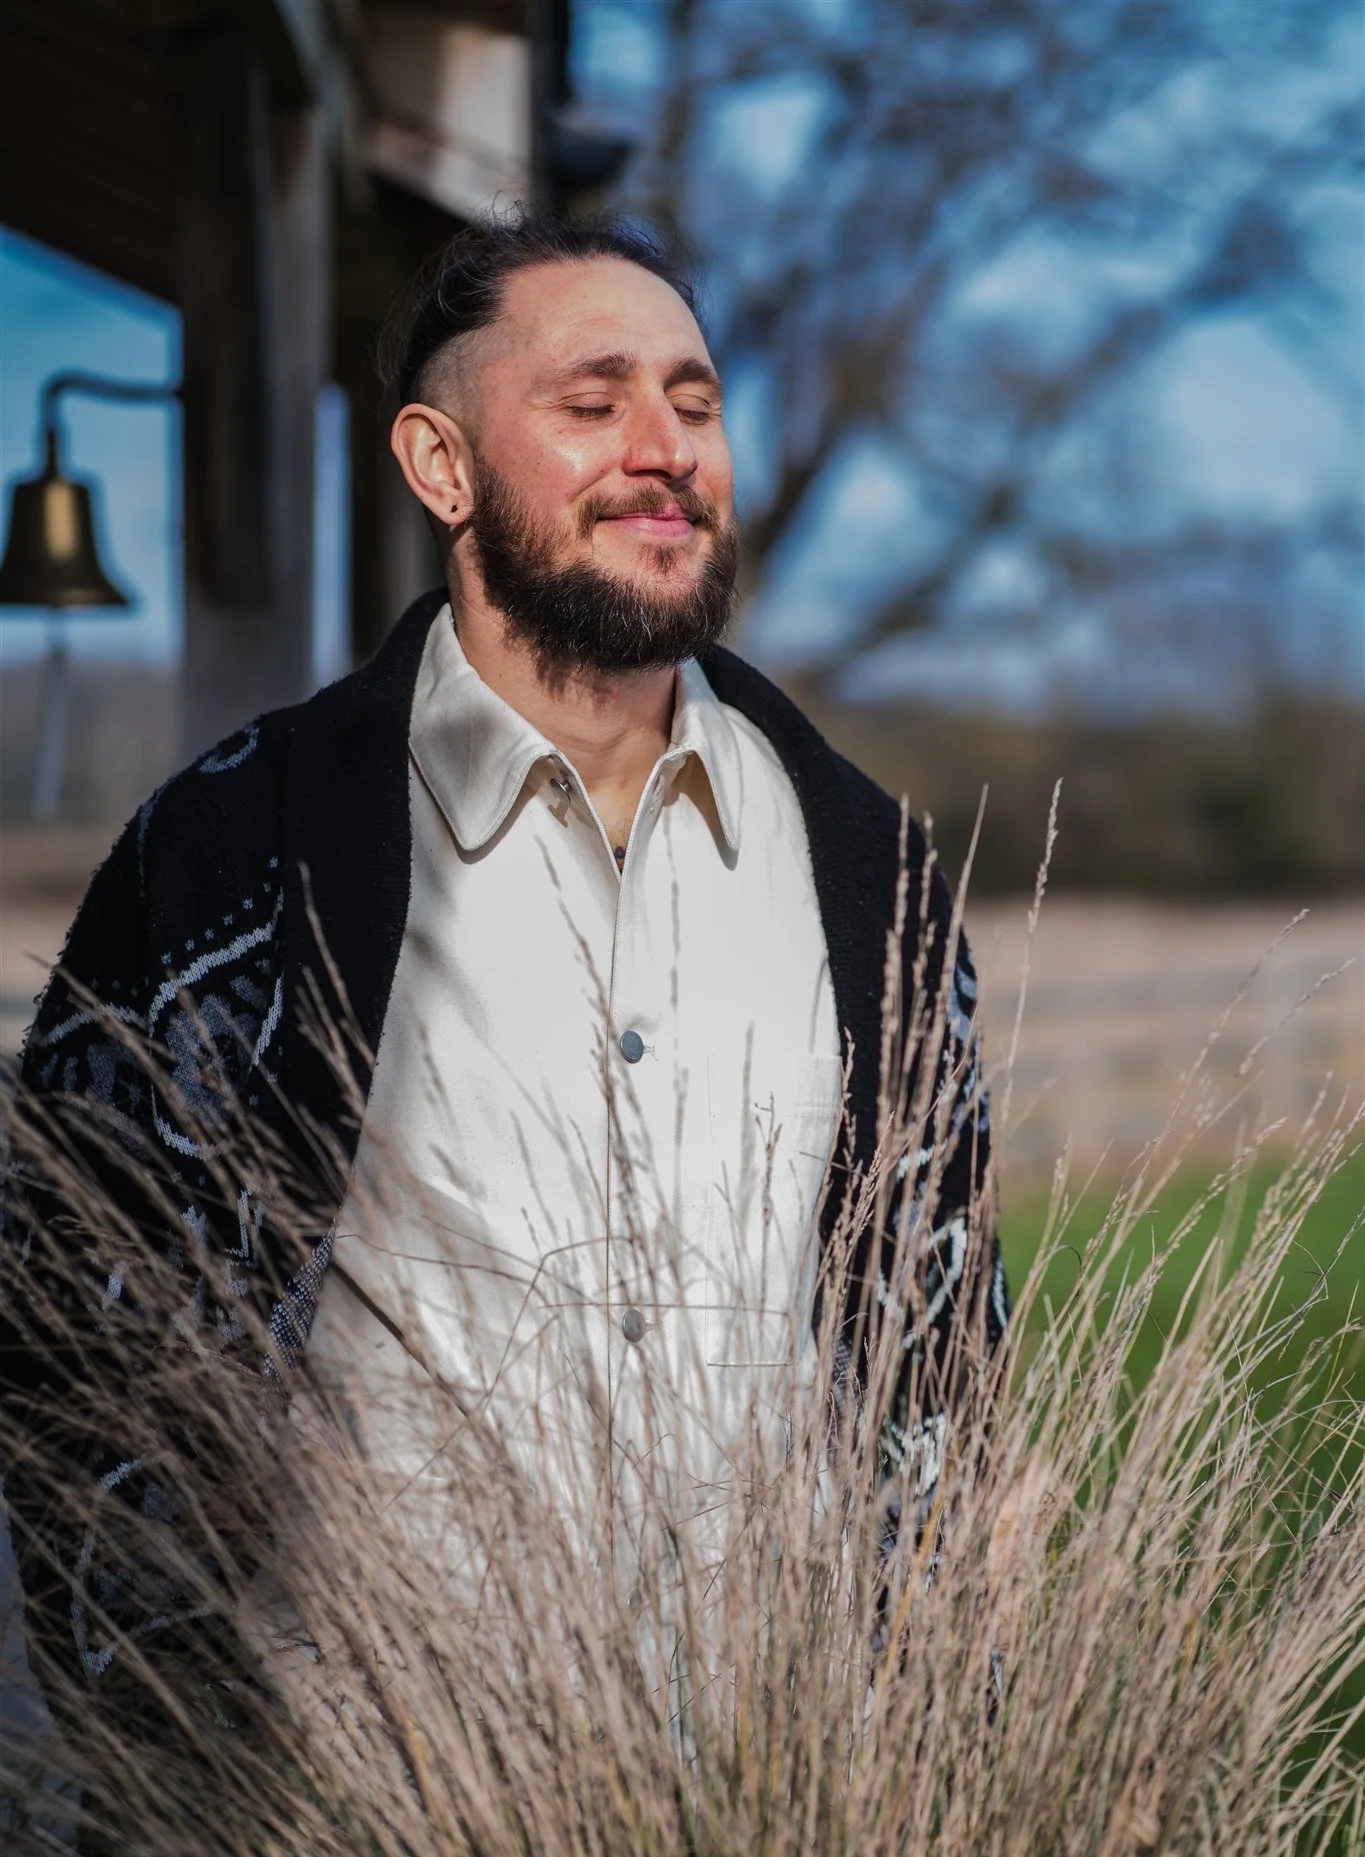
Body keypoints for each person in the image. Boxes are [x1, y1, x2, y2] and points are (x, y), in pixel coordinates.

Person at [3, 209, 1007, 1700]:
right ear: (441, 465)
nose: (664, 446)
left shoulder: (872, 872)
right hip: (343, 1846)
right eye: (592, 404)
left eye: (696, 399)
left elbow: (948, 1343)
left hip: (786, 1821)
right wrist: (173, 1741)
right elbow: (70, 1326)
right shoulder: (225, 857)